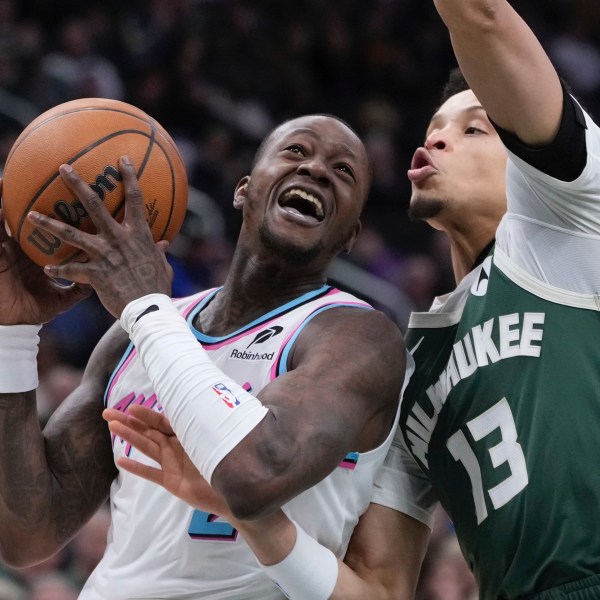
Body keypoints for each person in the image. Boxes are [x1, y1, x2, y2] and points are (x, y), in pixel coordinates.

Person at [107, 0, 600, 598]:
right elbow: (381, 591)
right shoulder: (411, 364)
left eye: (474, 128)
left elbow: (482, 16)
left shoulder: (575, 223)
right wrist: (258, 522)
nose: (439, 139)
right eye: (433, 129)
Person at [0, 114, 430, 599]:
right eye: (295, 151)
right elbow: (27, 532)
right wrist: (11, 337)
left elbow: (256, 475)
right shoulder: (132, 337)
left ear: (351, 234)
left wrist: (145, 308)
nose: (315, 169)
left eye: (343, 170)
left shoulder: (356, 337)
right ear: (243, 189)